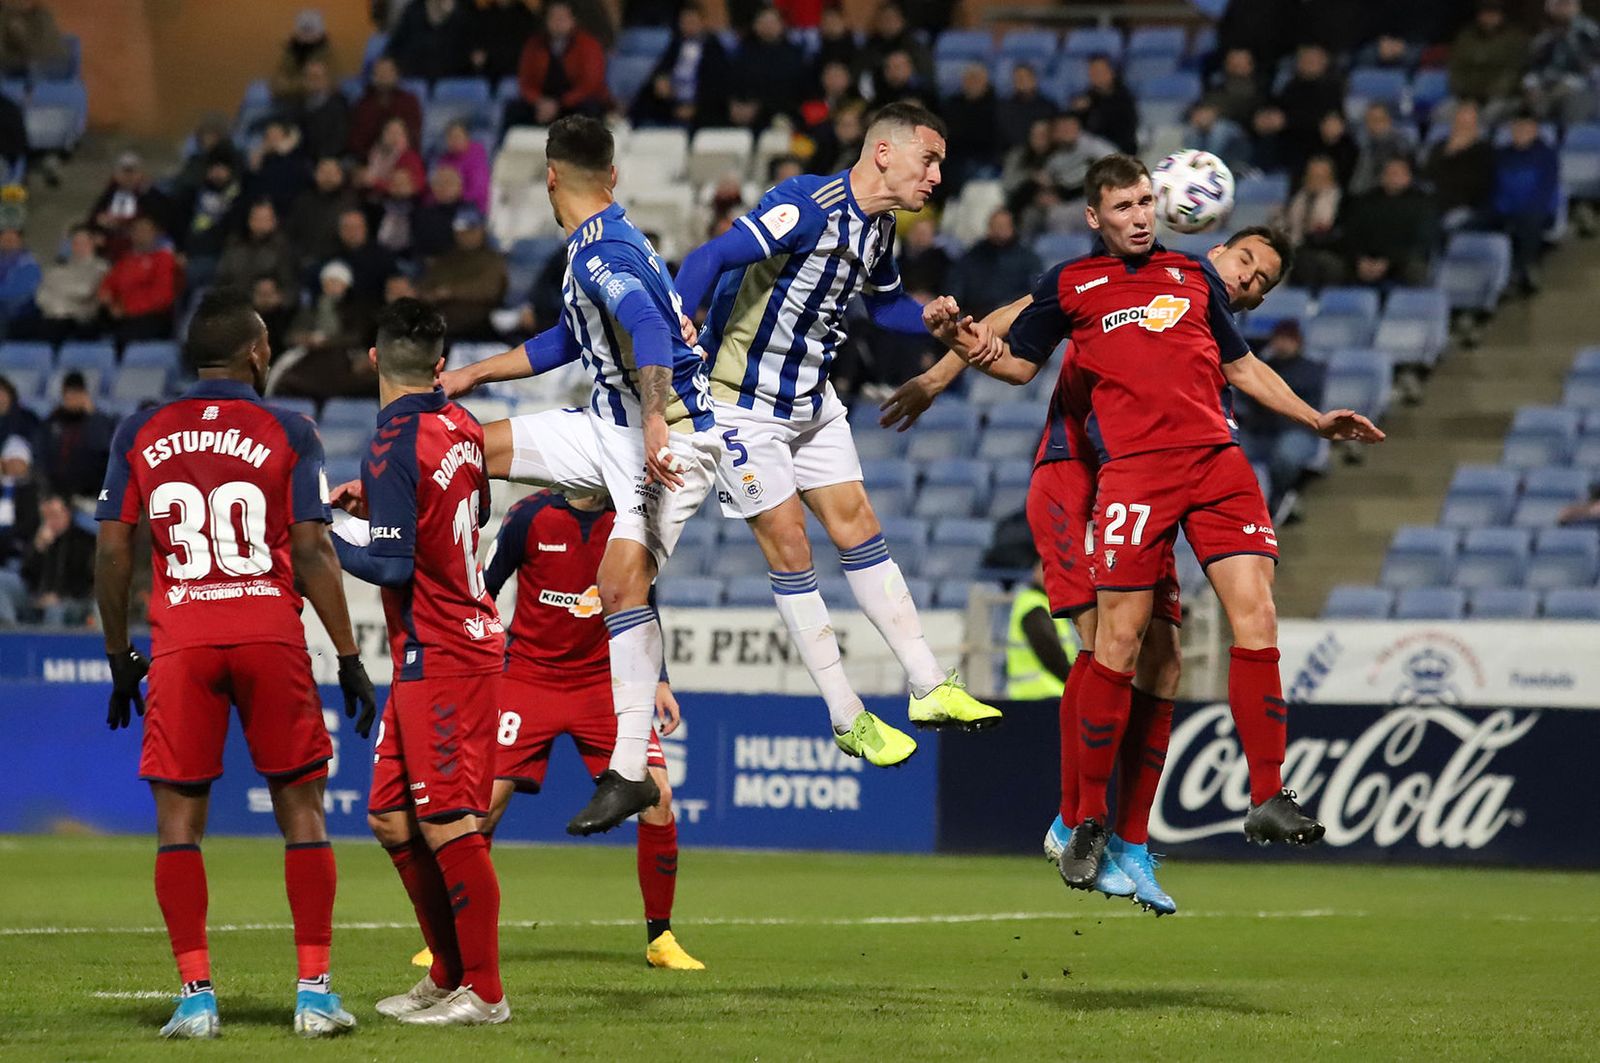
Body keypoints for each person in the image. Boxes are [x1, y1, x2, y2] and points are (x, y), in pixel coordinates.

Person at [927, 155, 1385, 886]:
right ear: (1095, 217)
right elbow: (1015, 365)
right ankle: (1085, 817)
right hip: (1136, 473)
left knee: (1257, 612)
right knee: (1120, 640)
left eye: (1147, 202)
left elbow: (1241, 369)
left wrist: (1314, 417)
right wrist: (960, 344)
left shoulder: (1194, 277)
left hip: (1217, 463)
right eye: (1125, 206)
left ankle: (1267, 792)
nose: (1140, 216)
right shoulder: (1071, 284)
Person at [670, 102, 1002, 763]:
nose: (936, 177)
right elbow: (711, 254)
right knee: (790, 545)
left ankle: (928, 684)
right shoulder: (807, 206)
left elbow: (882, 307)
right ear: (885, 152)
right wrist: (677, 320)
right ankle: (847, 714)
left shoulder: (879, 229)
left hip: (811, 403)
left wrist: (929, 317)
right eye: (929, 160)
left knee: (860, 525)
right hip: (742, 405)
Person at [93, 287, 376, 1039]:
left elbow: (114, 546)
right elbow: (313, 548)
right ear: (256, 352)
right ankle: (313, 996)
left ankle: (196, 998)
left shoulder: (139, 429)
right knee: (303, 809)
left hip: (183, 641)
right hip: (267, 631)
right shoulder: (289, 426)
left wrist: (120, 653)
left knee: (178, 823)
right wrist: (349, 656)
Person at [437, 115, 721, 835]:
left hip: (665, 434)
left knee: (622, 582)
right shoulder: (601, 245)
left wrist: (655, 419)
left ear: (550, 175)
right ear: (614, 176)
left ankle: (627, 770)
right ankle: (450, 575)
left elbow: (650, 331)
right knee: (471, 444)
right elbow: (574, 336)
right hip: (607, 423)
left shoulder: (601, 255)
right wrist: (477, 370)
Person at [327, 298, 508, 1026]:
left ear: (373, 359)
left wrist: (324, 536)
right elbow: (472, 510)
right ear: (440, 365)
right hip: (437, 645)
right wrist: (376, 501)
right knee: (392, 819)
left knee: (448, 822)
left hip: (445, 650)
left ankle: (487, 993)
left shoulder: (391, 435)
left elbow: (395, 565)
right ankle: (447, 971)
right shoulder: (462, 424)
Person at [481, 488, 704, 970]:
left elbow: (643, 603)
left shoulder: (632, 523)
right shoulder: (528, 516)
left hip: (605, 684)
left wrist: (660, 679)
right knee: (483, 805)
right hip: (527, 679)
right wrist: (482, 651)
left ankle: (660, 938)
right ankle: (450, 935)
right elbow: (483, 587)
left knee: (657, 796)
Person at [1235, 320, 1325, 505]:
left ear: (1298, 343)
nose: (1282, 344)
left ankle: (1280, 497)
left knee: (1286, 456)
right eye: (1279, 339)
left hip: (1296, 430)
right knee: (1227, 453)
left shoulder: (1311, 370)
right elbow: (1244, 398)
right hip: (1258, 431)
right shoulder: (1261, 367)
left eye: (1288, 340)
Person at [270, 260, 378, 400]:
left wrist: (327, 341)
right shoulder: (311, 309)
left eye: (335, 282)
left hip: (343, 353)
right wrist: (304, 338)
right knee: (280, 368)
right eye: (328, 282)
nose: (331, 286)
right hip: (308, 351)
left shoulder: (354, 309)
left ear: (346, 284)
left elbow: (355, 336)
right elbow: (291, 335)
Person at [1339, 156, 1440, 289]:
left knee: (1416, 269)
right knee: (1334, 266)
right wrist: (1360, 259)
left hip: (1401, 262)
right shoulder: (1366, 201)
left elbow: (1422, 242)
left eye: (1397, 173)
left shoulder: (1422, 205)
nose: (1392, 177)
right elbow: (1352, 233)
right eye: (1388, 173)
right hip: (1364, 261)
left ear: (1408, 177)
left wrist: (1388, 262)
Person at [507, 0, 609, 128]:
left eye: (562, 18)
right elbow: (525, 82)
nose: (557, 22)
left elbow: (591, 84)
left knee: (590, 109)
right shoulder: (534, 45)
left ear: (573, 20)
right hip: (543, 103)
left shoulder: (589, 45)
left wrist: (560, 103)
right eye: (553, 17)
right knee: (513, 110)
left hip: (574, 103)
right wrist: (539, 102)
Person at [633, 2, 731, 129]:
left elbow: (717, 83)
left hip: (702, 107)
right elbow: (660, 70)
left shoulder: (714, 48)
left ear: (703, 22)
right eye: (684, 22)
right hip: (672, 105)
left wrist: (695, 108)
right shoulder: (675, 45)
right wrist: (660, 79)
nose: (688, 26)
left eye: (692, 21)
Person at [1493, 112, 1562, 293]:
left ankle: (1522, 271)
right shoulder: (1502, 154)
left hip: (1534, 210)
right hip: (1504, 208)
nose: (1520, 132)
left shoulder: (1546, 155)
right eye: (1517, 128)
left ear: (1535, 130)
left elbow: (1544, 191)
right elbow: (1494, 186)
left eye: (1525, 128)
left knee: (1528, 222)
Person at [417, 207, 507, 339]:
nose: (465, 235)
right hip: (438, 322)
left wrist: (449, 292)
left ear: (482, 230)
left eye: (471, 230)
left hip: (478, 324)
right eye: (461, 231)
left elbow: (489, 290)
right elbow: (425, 287)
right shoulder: (446, 259)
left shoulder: (493, 260)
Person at [34, 368, 114, 504]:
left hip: (89, 492)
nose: (71, 400)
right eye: (68, 395)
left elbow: (102, 448)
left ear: (84, 395)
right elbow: (42, 455)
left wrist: (92, 415)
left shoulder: (99, 421)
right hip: (56, 491)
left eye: (76, 394)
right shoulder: (54, 421)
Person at [98, 216, 182, 344]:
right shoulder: (125, 260)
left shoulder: (164, 259)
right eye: (136, 230)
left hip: (151, 317)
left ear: (155, 234)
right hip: (121, 316)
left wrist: (127, 308)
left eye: (145, 231)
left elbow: (163, 297)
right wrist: (111, 304)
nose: (140, 235)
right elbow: (107, 286)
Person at [947, 208, 1040, 322]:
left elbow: (1035, 290)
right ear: (989, 228)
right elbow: (957, 285)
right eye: (997, 225)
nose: (1001, 229)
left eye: (1004, 225)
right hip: (975, 315)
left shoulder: (1027, 257)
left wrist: (1011, 307)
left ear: (1012, 227)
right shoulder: (973, 255)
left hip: (1014, 317)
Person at [1421, 101, 1496, 230]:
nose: (1462, 126)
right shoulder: (1438, 147)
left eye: (1467, 123)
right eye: (1460, 121)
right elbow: (1426, 175)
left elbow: (1480, 185)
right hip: (1433, 203)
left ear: (1476, 125)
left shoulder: (1485, 150)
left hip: (1464, 206)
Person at [1525, 0, 1600, 127]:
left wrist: (1575, 82)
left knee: (1572, 100)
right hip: (1546, 84)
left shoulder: (1589, 31)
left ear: (1575, 7)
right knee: (1532, 103)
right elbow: (1534, 65)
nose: (1563, 9)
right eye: (1558, 5)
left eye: (1566, 4)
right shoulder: (1544, 34)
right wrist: (1532, 84)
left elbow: (1594, 65)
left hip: (1581, 85)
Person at [88, 153, 177, 259]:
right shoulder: (109, 194)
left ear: (141, 174)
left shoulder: (151, 195)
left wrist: (129, 225)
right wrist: (97, 228)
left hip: (141, 243)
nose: (128, 177)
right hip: (110, 243)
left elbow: (163, 218)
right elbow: (93, 218)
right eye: (124, 172)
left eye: (132, 172)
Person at [22, 492, 91, 623]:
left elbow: (84, 580)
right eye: (46, 517)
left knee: (54, 611)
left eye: (54, 516)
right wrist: (38, 549)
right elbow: (27, 575)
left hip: (74, 601)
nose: (50, 522)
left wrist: (58, 596)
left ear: (67, 513)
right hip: (39, 598)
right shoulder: (42, 538)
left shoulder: (83, 541)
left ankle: (49, 644)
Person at [1449, 0, 1530, 111]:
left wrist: (1489, 93)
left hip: (1501, 96)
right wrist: (1464, 92)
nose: (1489, 17)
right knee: (1442, 112)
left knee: (1491, 112)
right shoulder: (1466, 37)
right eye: (1485, 13)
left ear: (1502, 15)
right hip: (1466, 95)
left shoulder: (1515, 39)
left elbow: (1514, 71)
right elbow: (1456, 68)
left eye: (1493, 13)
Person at [1279, 155, 1344, 287]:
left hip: (1324, 249)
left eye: (1321, 176)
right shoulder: (1299, 197)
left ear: (1330, 177)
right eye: (1312, 175)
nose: (1315, 180)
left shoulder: (1341, 201)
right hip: (1294, 246)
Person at [35, 225, 107, 343]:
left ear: (92, 244)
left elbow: (85, 291)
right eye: (75, 243)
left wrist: (58, 289)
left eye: (83, 243)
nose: (79, 247)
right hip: (53, 316)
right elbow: (41, 295)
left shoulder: (100, 267)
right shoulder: (58, 269)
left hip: (82, 319)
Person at [216, 199, 299, 295]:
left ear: (275, 221)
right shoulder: (235, 243)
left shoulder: (283, 246)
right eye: (257, 218)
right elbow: (221, 279)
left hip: (273, 305)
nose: (261, 223)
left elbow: (291, 286)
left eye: (266, 219)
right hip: (236, 302)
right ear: (249, 220)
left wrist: (277, 298)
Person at [287, 158, 356, 272]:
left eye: (332, 172)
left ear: (341, 176)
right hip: (302, 261)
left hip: (337, 264)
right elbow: (291, 232)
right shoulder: (303, 200)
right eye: (324, 172)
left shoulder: (350, 202)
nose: (328, 177)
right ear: (315, 174)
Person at [349, 56, 423, 160]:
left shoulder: (409, 102)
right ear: (373, 76)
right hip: (367, 160)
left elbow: (414, 136)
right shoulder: (363, 104)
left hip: (403, 159)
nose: (384, 75)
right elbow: (356, 140)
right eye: (379, 72)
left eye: (388, 71)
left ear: (397, 75)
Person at [387, 0, 471, 81]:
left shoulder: (463, 11)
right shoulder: (414, 9)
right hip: (414, 74)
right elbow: (396, 43)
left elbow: (467, 50)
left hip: (450, 76)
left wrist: (452, 15)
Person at [1073, 55, 1139, 155]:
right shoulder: (1088, 96)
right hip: (1094, 147)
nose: (1095, 75)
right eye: (1092, 72)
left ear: (1111, 72)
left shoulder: (1123, 96)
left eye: (1099, 71)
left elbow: (1123, 129)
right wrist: (1079, 111)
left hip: (1118, 148)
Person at [465, 0, 538, 84]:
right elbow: (476, 53)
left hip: (516, 78)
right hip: (487, 78)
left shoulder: (526, 16)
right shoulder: (483, 16)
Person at [271, 8, 334, 105]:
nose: (307, 35)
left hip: (319, 107)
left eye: (311, 30)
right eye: (304, 29)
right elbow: (278, 85)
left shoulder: (327, 52)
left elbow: (327, 84)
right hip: (290, 104)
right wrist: (306, 84)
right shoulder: (290, 51)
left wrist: (294, 85)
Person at [359, 116, 426, 204]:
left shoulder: (410, 157)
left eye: (398, 132)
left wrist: (375, 182)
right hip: (373, 201)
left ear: (406, 136)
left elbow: (412, 188)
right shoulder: (373, 154)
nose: (393, 136)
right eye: (390, 132)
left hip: (401, 204)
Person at [296, 59, 351, 162]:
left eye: (317, 77)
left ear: (328, 79)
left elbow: (340, 139)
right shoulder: (299, 105)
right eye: (310, 77)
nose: (314, 81)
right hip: (305, 160)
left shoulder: (339, 105)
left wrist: (322, 159)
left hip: (331, 159)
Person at [997, 63, 1056, 154]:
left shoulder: (1049, 106)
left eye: (1025, 77)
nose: (1022, 81)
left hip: (1044, 156)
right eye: (1018, 78)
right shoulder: (1004, 107)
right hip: (1012, 155)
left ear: (1034, 79)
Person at [436, 121, 489, 214]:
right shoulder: (444, 159)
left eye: (457, 136)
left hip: (473, 207)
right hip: (446, 205)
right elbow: (437, 186)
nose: (454, 141)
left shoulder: (477, 156)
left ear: (467, 137)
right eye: (450, 137)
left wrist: (456, 194)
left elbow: (478, 190)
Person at [414, 165, 466, 260]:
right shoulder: (422, 214)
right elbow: (420, 249)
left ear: (460, 187)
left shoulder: (470, 213)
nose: (444, 187)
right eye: (439, 183)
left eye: (449, 183)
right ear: (433, 189)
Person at [0, 0, 64, 77]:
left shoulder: (42, 17)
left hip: (43, 67)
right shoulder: (8, 16)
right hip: (20, 65)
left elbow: (40, 52)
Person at [0, 223, 39, 331]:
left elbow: (25, 290)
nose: (8, 241)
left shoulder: (28, 262)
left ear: (20, 240)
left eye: (12, 238)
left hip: (20, 304)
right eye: (4, 237)